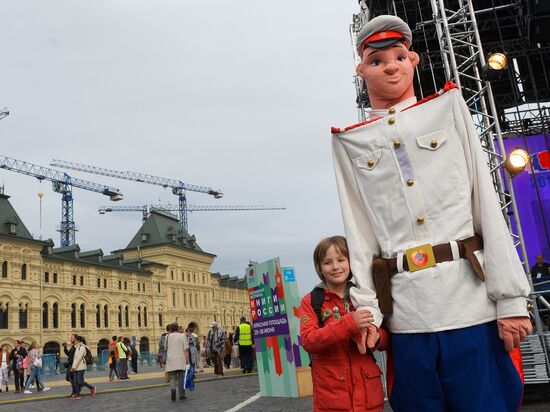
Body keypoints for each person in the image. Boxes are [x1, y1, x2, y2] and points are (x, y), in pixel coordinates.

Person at [331, 14, 532, 411]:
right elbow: (359, 234)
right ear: (360, 70)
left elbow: (486, 206)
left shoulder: (448, 106)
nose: (390, 65)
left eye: (398, 57)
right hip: (408, 315)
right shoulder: (350, 142)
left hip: (469, 303)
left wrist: (510, 299)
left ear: (414, 61)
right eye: (377, 60)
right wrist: (367, 309)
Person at [300, 236, 388, 412]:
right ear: (319, 268)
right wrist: (347, 324)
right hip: (332, 399)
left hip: (368, 396)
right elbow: (309, 341)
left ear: (352, 262)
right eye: (327, 262)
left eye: (341, 260)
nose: (335, 267)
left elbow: (388, 336)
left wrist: (377, 337)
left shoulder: (365, 296)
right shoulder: (311, 301)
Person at [164, 323, 190, 401]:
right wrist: (187, 360)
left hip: (171, 358)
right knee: (181, 378)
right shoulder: (182, 336)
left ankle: (173, 389)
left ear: (170, 329)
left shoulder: (167, 336)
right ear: (178, 329)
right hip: (181, 359)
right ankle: (182, 395)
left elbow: (165, 348)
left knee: (172, 377)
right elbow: (186, 349)